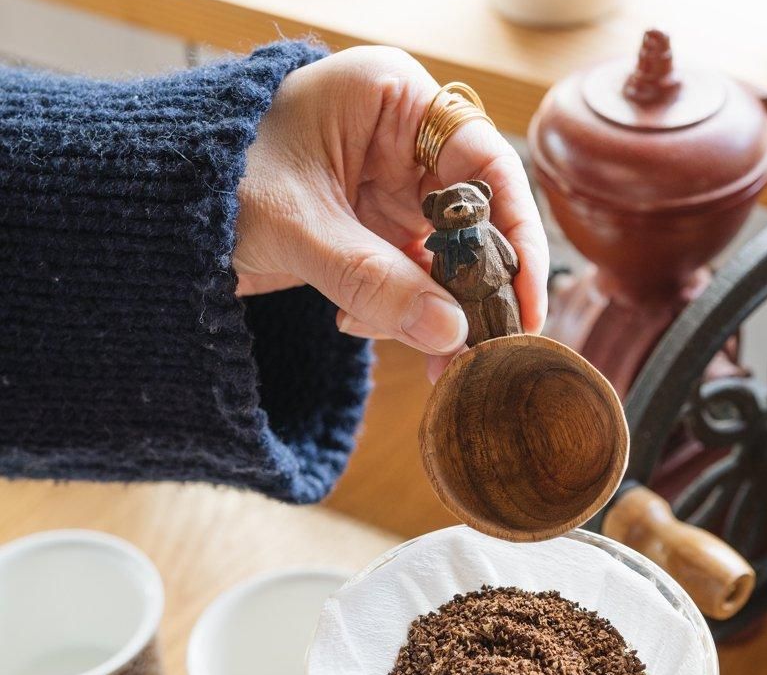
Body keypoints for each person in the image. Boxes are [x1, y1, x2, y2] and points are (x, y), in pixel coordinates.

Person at [0, 41, 548, 503]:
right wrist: (199, 191)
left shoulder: (479, 237)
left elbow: (508, 260)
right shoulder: (440, 240)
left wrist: (204, 199)